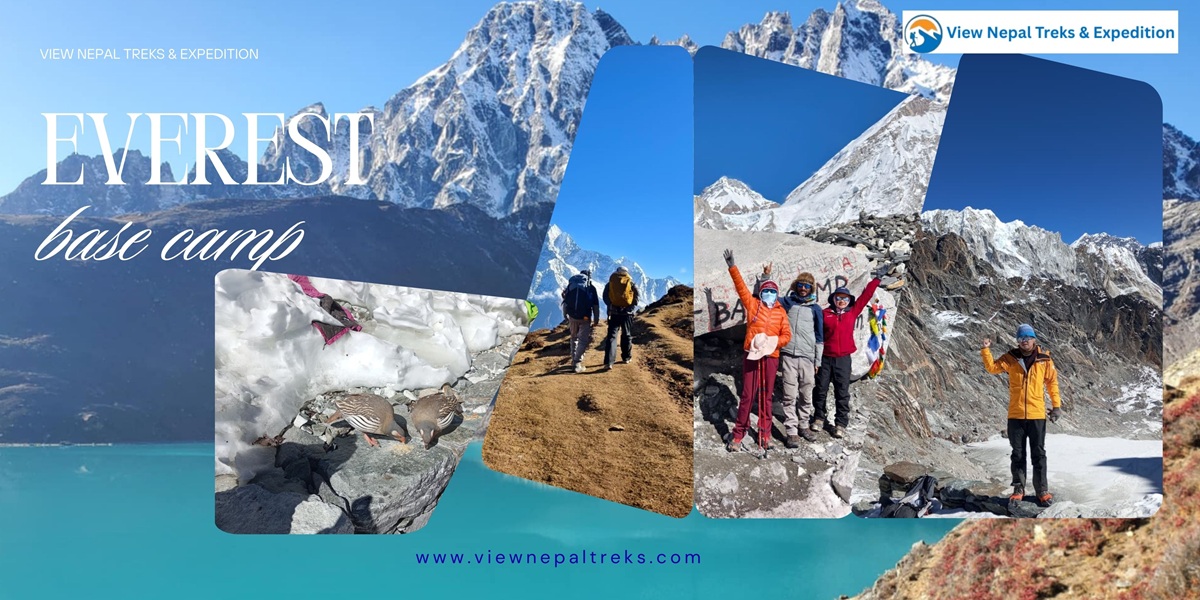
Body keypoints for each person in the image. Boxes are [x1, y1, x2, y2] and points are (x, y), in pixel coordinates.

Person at [982, 324, 1062, 508]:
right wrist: (986, 350)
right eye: (1020, 338)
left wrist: (1056, 406)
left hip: (1036, 414)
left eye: (1027, 337)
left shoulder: (1044, 359)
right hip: (1016, 415)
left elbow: (1052, 383)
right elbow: (992, 368)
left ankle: (1042, 490)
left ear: (1034, 339)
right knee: (1017, 454)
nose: (1024, 341)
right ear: (1017, 341)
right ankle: (1018, 488)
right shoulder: (1011, 358)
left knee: (1038, 453)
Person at [724, 250, 791, 452]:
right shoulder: (753, 305)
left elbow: (787, 336)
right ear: (761, 293)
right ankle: (738, 434)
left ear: (777, 294)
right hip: (752, 355)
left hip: (771, 356)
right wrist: (732, 267)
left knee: (766, 396)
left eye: (772, 292)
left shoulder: (781, 313)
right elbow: (741, 289)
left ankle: (764, 434)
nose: (769, 294)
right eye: (766, 291)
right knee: (747, 395)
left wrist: (772, 342)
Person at [811, 265, 888, 439]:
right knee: (821, 389)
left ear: (849, 300)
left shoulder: (852, 312)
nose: (842, 301)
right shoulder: (824, 313)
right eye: (839, 298)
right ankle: (819, 418)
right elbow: (815, 332)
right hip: (825, 357)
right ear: (833, 299)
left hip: (843, 358)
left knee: (842, 391)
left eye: (845, 298)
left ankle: (840, 423)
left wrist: (877, 279)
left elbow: (866, 296)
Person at [761, 264, 823, 447]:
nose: (803, 289)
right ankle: (792, 431)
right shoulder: (787, 303)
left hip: (808, 357)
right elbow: (768, 297)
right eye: (801, 285)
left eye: (807, 286)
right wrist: (766, 277)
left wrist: (817, 360)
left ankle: (804, 425)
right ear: (796, 286)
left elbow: (820, 336)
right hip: (788, 354)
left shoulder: (815, 309)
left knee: (806, 394)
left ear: (812, 288)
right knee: (789, 395)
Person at [561, 269, 600, 373]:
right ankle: (577, 362)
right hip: (585, 317)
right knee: (582, 340)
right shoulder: (591, 287)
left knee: (574, 337)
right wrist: (596, 319)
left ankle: (573, 359)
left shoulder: (571, 285)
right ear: (588, 277)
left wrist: (565, 314)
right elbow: (595, 305)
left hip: (572, 316)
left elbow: (565, 302)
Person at [602, 266, 640, 370]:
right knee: (626, 334)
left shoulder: (611, 282)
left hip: (613, 313)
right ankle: (626, 357)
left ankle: (609, 362)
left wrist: (611, 305)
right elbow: (637, 297)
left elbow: (605, 296)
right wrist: (630, 308)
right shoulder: (631, 283)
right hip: (627, 314)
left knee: (612, 336)